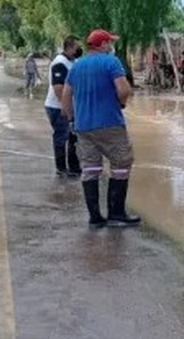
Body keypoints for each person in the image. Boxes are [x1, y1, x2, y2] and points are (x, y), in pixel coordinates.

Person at [62, 29, 140, 228]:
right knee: (121, 165)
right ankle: (116, 213)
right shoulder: (111, 62)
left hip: (83, 127)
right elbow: (124, 89)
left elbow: (65, 97)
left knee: (90, 169)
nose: (111, 46)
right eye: (110, 42)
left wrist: (71, 120)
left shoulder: (76, 67)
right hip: (110, 124)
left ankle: (95, 217)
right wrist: (120, 103)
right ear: (103, 44)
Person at [45, 37, 82, 178]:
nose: (79, 49)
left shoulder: (73, 62)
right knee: (62, 137)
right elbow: (59, 89)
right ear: (70, 47)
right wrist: (67, 108)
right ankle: (61, 168)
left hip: (70, 106)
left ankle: (74, 167)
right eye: (77, 47)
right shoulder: (60, 63)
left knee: (73, 137)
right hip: (57, 106)